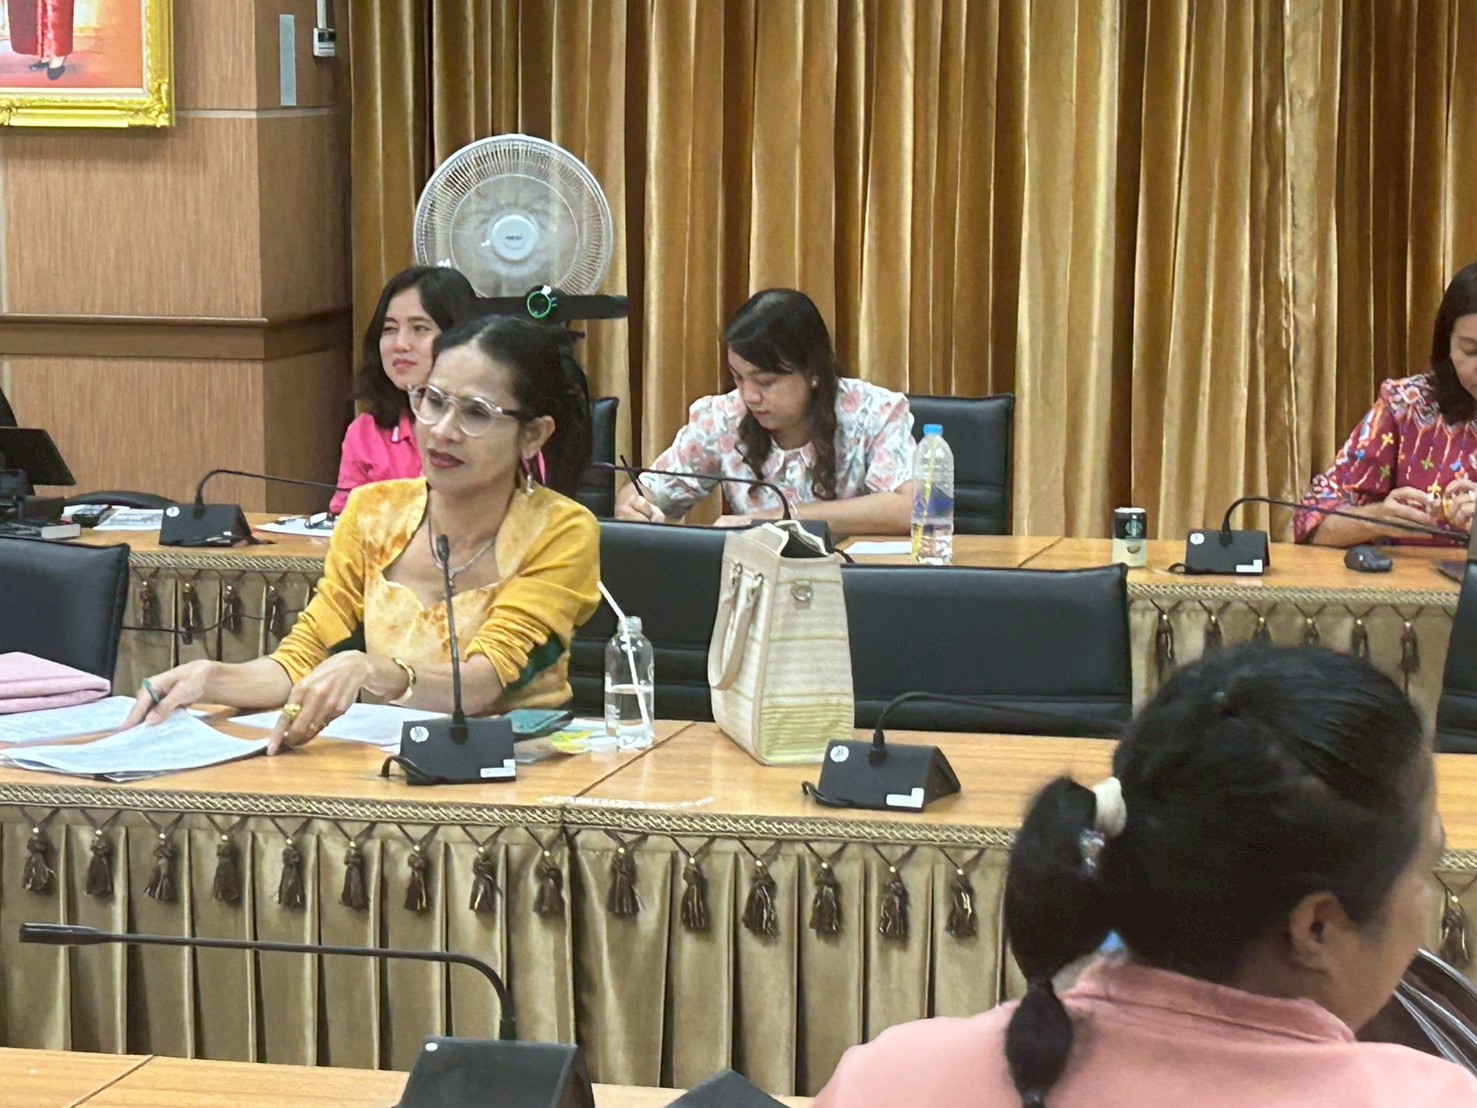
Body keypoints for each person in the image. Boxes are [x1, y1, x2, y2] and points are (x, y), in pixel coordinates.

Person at [815, 645, 1476, 1107]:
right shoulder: (1434, 1097)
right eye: (1425, 870)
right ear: (1317, 927)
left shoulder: (882, 1081)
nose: (1426, 899)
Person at [125, 316, 599, 754]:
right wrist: (213, 678)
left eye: (475, 413)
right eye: (433, 401)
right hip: (389, 761)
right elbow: (305, 656)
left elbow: (482, 683)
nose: (442, 431)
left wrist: (376, 671)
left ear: (533, 435)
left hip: (516, 766)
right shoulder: (374, 513)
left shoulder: (560, 531)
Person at [615, 288, 915, 533]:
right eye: (738, 377)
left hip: (854, 580)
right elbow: (652, 490)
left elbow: (912, 508)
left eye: (765, 382)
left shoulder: (875, 413)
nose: (749, 396)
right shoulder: (722, 418)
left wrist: (777, 519)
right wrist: (634, 504)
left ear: (813, 372)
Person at [1297, 262, 1477, 546]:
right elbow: (1311, 522)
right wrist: (1377, 518)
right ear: (1447, 347)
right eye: (1471, 350)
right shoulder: (1407, 406)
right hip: (1414, 576)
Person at [331, 265, 482, 514]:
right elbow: (346, 522)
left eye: (419, 328)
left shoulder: (493, 426)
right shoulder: (365, 433)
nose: (400, 344)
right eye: (390, 329)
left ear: (458, 335)